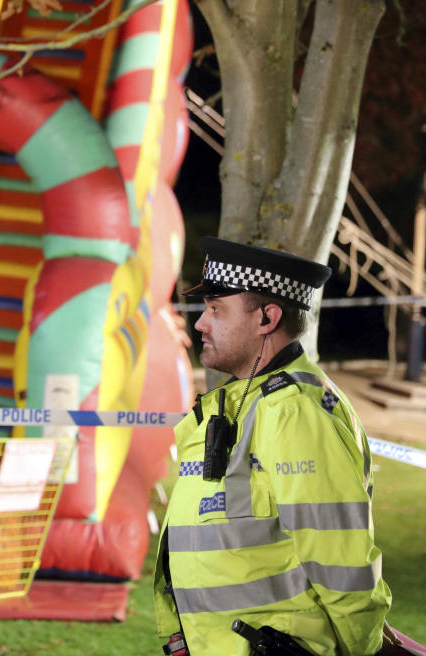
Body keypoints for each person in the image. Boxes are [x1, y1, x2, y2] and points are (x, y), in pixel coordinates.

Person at [154, 237, 392, 655]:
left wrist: (363, 649)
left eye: (216, 310)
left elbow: (340, 561)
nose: (200, 324)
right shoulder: (243, 402)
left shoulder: (293, 412)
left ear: (268, 318)